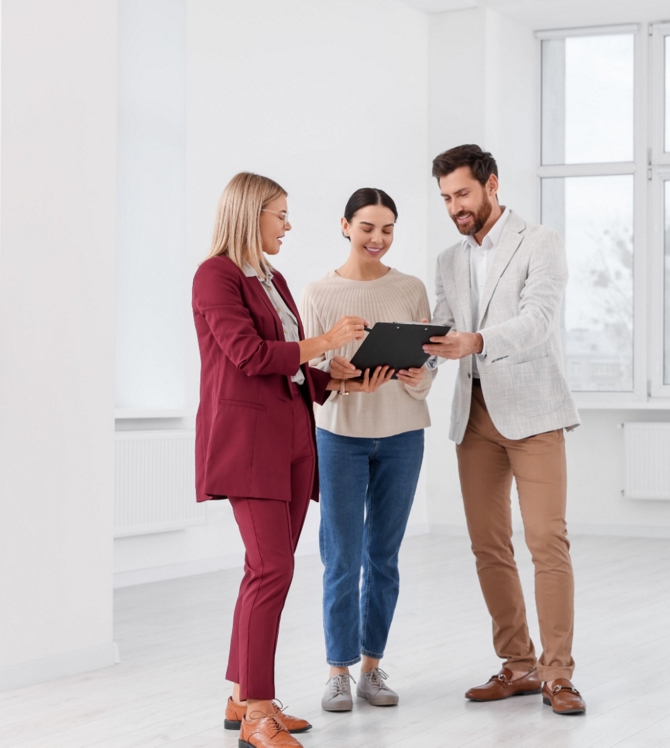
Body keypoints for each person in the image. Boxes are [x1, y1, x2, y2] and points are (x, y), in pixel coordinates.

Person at [192, 172, 380, 748]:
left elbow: (289, 367)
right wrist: (325, 342)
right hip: (248, 445)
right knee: (273, 569)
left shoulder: (273, 279)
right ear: (251, 215)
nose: (288, 225)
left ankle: (243, 696)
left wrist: (337, 379)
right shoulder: (215, 276)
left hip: (294, 439)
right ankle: (256, 711)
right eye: (280, 215)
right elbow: (249, 355)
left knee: (264, 569)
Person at [421, 145, 586, 715]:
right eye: (445, 198)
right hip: (474, 417)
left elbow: (538, 321)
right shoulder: (448, 259)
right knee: (489, 546)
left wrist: (478, 340)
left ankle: (558, 675)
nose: (455, 207)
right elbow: (443, 332)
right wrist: (411, 358)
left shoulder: (539, 242)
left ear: (491, 184)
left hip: (534, 415)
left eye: (462, 194)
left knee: (546, 542)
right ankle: (518, 664)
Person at [301, 188, 435, 712]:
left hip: (403, 433)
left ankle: (372, 667)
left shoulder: (411, 288)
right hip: (339, 435)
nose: (377, 239)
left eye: (387, 229)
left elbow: (427, 368)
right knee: (341, 555)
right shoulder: (317, 293)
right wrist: (336, 373)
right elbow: (309, 373)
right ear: (344, 226)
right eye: (367, 228)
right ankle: (338, 670)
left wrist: (415, 375)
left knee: (383, 555)